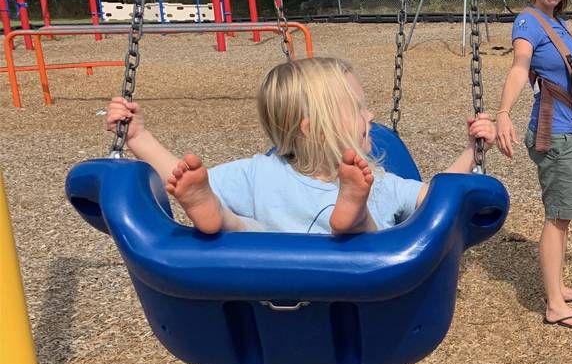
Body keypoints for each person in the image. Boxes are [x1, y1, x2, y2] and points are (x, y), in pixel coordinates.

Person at [104, 56, 495, 235]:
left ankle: (222, 220)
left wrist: (471, 153)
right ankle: (216, 214)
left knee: (244, 228)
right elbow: (438, 195)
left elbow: (438, 199)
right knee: (241, 224)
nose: (370, 115)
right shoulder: (374, 179)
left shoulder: (260, 174)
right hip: (362, 294)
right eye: (359, 108)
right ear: (311, 127)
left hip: (283, 293)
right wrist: (137, 136)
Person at [494, 0, 572, 329]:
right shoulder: (528, 22)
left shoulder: (557, 23)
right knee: (557, 216)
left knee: (565, 215)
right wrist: (503, 112)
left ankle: (559, 285)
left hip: (571, 129)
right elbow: (520, 67)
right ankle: (554, 304)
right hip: (553, 132)